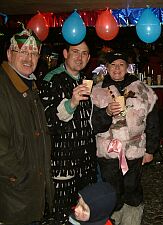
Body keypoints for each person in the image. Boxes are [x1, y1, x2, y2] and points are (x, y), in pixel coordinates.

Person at [90, 51, 159, 225]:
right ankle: (113, 219)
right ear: (107, 68)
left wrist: (150, 149)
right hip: (108, 153)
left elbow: (153, 121)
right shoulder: (97, 91)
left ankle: (132, 221)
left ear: (127, 67)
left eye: (121, 64)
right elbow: (94, 125)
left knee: (132, 188)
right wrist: (106, 113)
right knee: (112, 191)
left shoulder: (141, 89)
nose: (117, 69)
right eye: (113, 65)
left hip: (135, 150)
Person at [39, 40, 97, 223]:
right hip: (63, 161)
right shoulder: (51, 79)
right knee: (62, 214)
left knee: (84, 212)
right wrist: (71, 103)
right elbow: (48, 122)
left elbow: (88, 120)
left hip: (86, 162)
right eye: (75, 52)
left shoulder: (85, 81)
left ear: (88, 58)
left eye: (84, 53)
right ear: (65, 53)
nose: (79, 57)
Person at [0, 27, 54, 224]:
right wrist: (20, 176)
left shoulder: (29, 84)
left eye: (33, 53)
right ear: (9, 53)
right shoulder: (3, 86)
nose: (28, 58)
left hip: (30, 189)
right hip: (13, 193)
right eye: (22, 51)